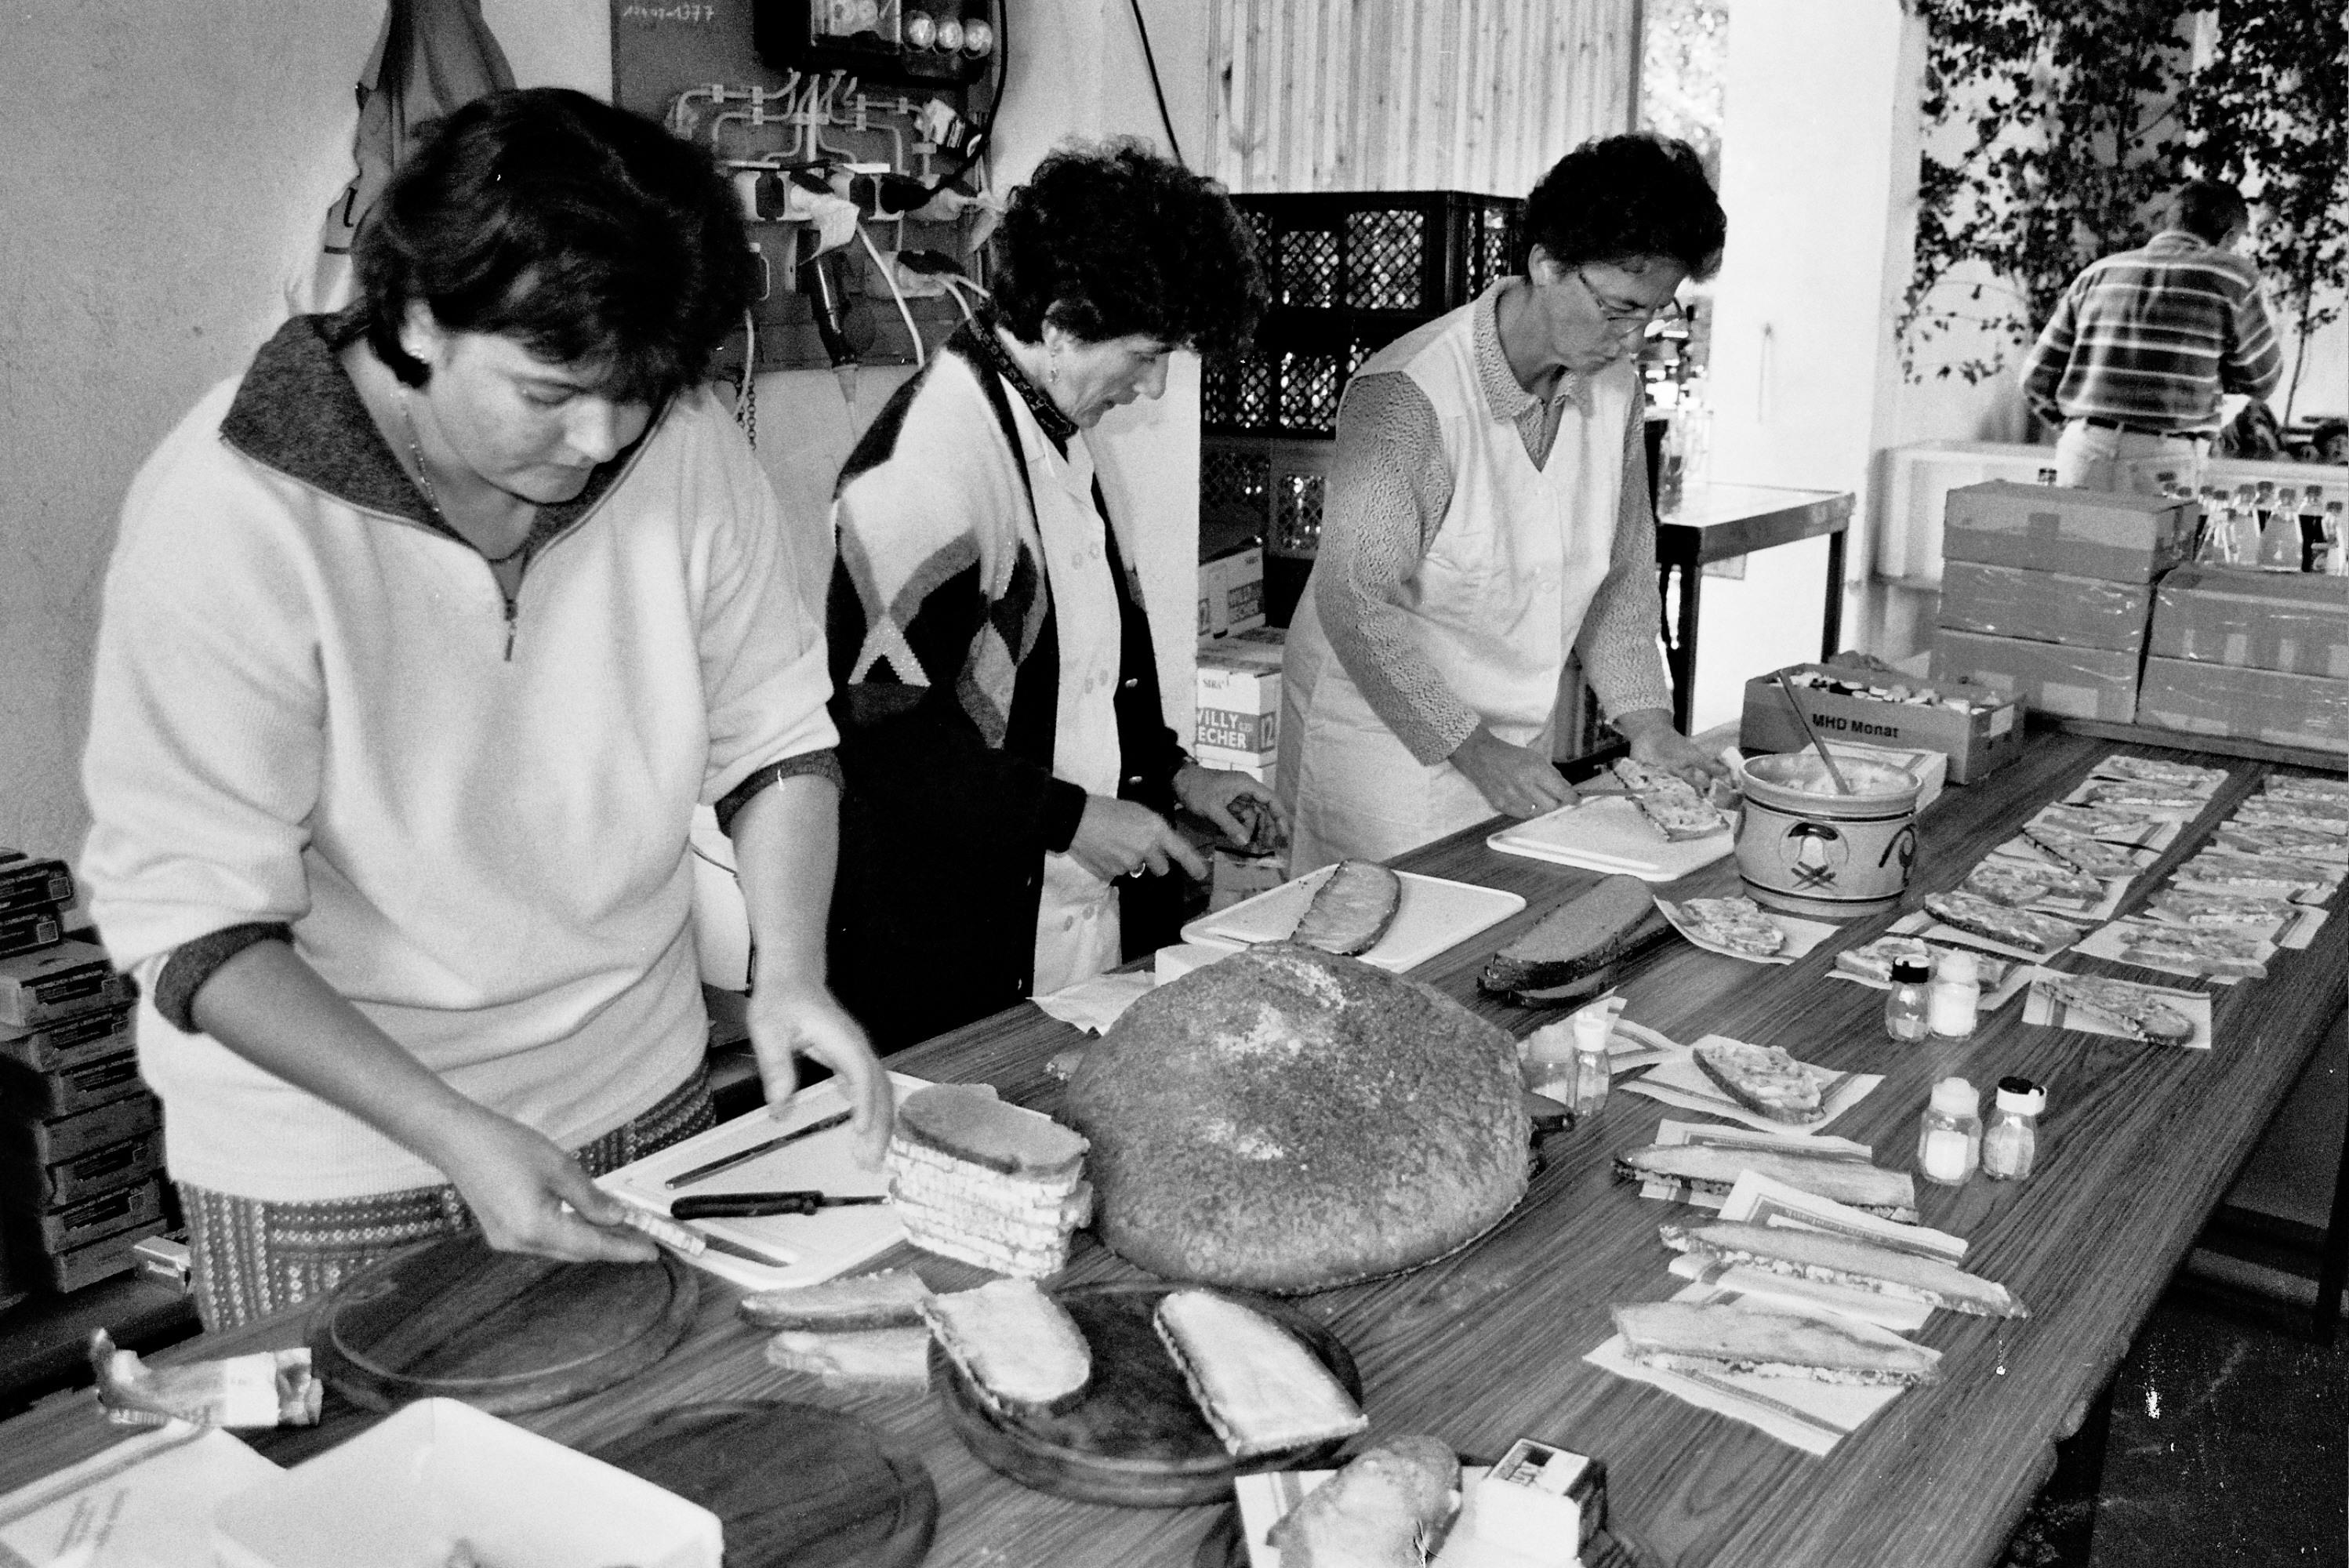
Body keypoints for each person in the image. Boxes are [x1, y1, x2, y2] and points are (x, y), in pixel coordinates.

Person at [78, 88, 891, 1330]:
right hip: (340, 1159)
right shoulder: (234, 512)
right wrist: (453, 1130)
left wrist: (791, 969)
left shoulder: (678, 447)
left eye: (639, 387)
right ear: (417, 315)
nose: (602, 434)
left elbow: (777, 740)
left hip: (643, 1092)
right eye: (549, 391)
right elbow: (193, 921)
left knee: (668, 1443)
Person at [826, 140, 1279, 1051]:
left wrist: (1177, 776)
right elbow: (885, 740)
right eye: (1145, 354)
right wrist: (1071, 820)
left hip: (1074, 937)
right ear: (1064, 324)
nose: (1152, 384)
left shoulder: (1068, 427)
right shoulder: (924, 470)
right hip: (948, 959)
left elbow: (1097, 675)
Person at [1277, 133, 1730, 873]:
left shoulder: (1614, 391)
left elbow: (1620, 578)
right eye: (1618, 309)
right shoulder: (1411, 394)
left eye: (1653, 313)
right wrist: (1475, 750)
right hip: (1380, 751)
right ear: (1547, 264)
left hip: (1514, 749)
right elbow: (1354, 599)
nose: (1632, 338)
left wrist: (1647, 724)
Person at [2020, 179, 2283, 492]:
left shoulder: (2096, 273)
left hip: (2083, 448)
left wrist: (2077, 427)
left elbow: (2034, 378)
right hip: (2165, 454)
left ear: (2170, 219)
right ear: (2228, 236)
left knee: (2079, 527)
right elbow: (2263, 378)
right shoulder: (2231, 278)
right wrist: (2208, 372)